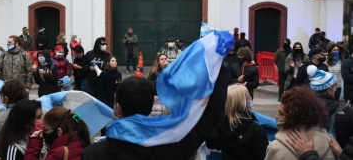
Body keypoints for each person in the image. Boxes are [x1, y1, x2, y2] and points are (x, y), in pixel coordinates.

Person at [82, 72, 227, 160]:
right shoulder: (172, 148)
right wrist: (218, 64)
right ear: (151, 106)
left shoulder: (92, 154)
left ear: (118, 108)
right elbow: (212, 115)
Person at [265, 87, 335, 160]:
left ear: (293, 117)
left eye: (281, 114)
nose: (277, 116)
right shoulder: (328, 142)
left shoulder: (276, 148)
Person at [206, 84, 268, 160]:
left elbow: (210, 143)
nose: (251, 99)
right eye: (249, 97)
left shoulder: (221, 127)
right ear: (242, 102)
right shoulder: (255, 129)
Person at [308, 65, 353, 149]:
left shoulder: (303, 108)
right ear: (329, 90)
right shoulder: (346, 110)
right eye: (334, 86)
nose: (336, 89)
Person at [25, 106, 91, 160]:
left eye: (47, 130)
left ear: (59, 131)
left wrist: (34, 144)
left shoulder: (57, 154)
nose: (44, 133)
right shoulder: (83, 143)